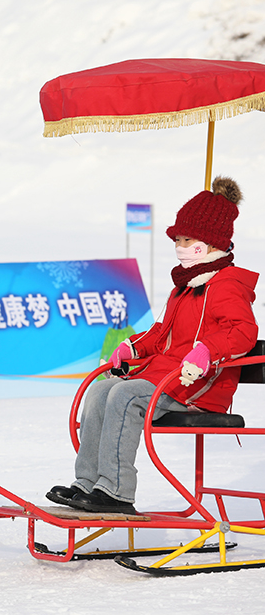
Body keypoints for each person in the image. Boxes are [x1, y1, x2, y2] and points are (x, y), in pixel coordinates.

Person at [47, 177, 258, 514]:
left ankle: (115, 491)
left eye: (187, 240)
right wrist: (132, 347)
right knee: (102, 391)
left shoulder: (226, 286)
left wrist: (206, 351)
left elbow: (243, 331)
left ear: (210, 242)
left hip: (199, 385)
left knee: (125, 395)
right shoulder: (186, 286)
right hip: (167, 377)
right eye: (177, 239)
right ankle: (88, 483)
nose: (179, 247)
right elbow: (162, 333)